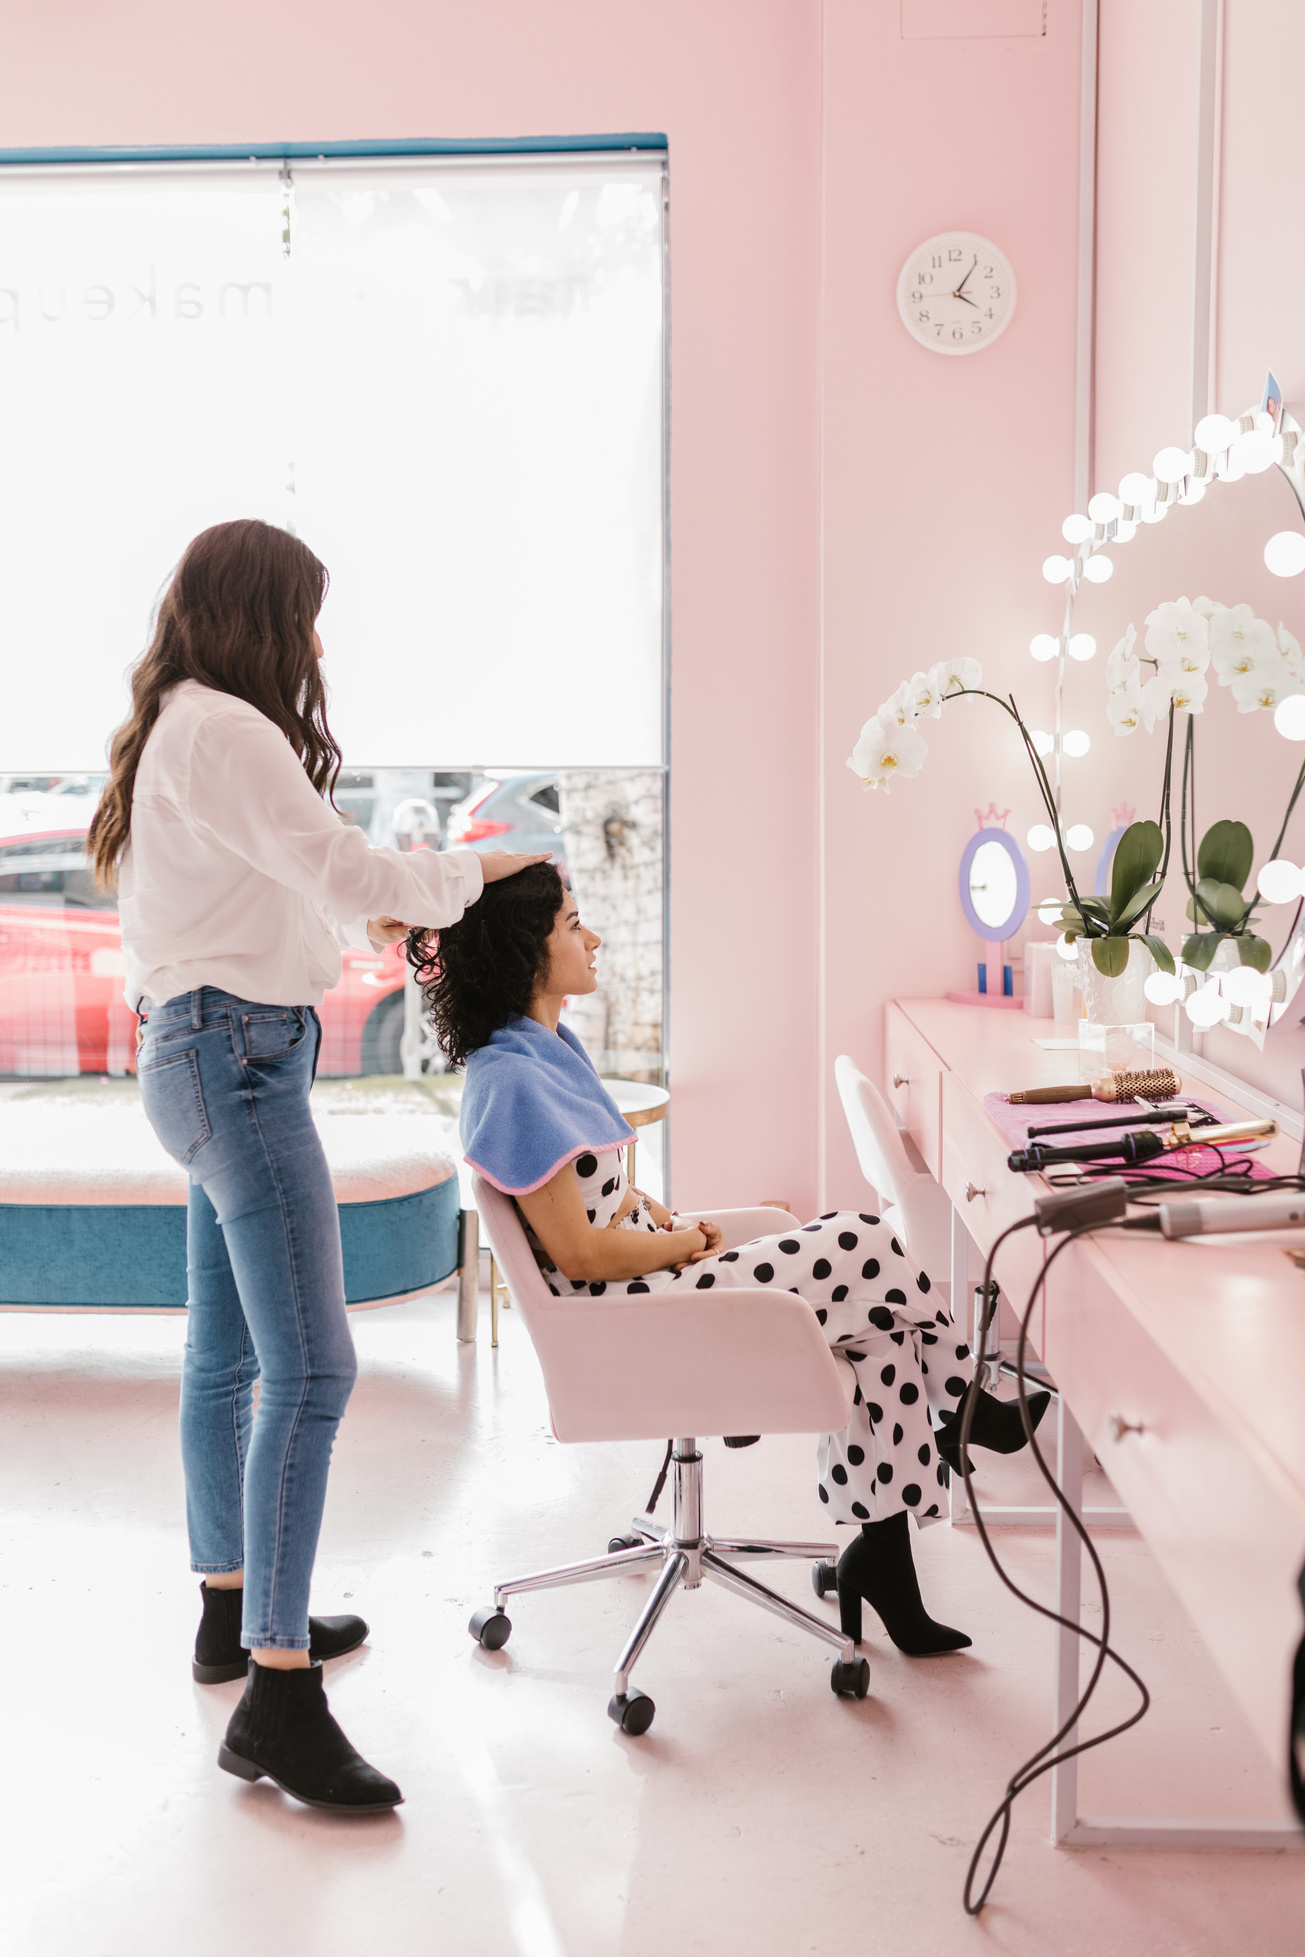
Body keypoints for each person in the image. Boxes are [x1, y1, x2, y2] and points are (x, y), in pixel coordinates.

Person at [88, 519, 546, 1814]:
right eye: (309, 615)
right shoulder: (228, 732)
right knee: (315, 1366)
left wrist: (399, 918)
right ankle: (280, 1701)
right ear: (262, 615)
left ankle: (233, 1622)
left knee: (228, 1360)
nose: (320, 642)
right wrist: (478, 869)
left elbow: (290, 894)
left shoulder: (186, 727)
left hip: (199, 1054)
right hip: (233, 1060)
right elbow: (344, 872)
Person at [410, 864, 1049, 1657]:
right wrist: (677, 1242)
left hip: (647, 1289)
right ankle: (960, 1407)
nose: (594, 937)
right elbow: (576, 1250)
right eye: (574, 924)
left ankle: (882, 1556)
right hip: (622, 1321)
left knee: (881, 1332)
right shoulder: (510, 1078)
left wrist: (650, 1215)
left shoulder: (543, 1048)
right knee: (859, 1240)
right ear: (523, 950)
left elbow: (588, 1196)